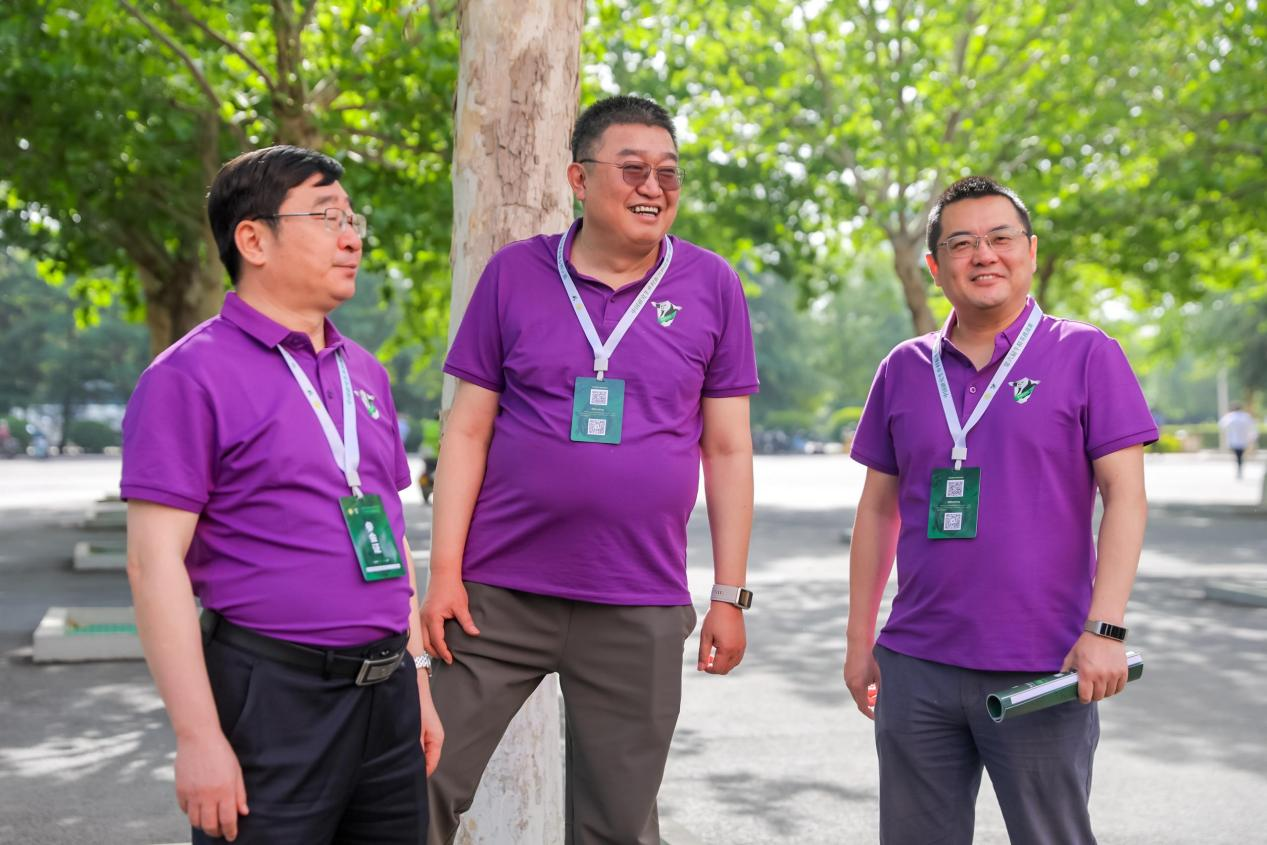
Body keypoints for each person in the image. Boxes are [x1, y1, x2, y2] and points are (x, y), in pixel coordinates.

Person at [422, 94, 759, 845]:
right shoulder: (513, 275)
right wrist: (443, 573)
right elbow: (467, 429)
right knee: (418, 782)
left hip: (636, 599)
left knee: (617, 824)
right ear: (579, 178)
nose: (653, 188)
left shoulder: (711, 285)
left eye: (668, 173)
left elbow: (728, 450)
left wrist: (729, 594)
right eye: (632, 169)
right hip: (495, 594)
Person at [122, 145, 441, 844]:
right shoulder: (188, 376)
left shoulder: (365, 373)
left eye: (352, 219)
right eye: (326, 217)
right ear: (254, 240)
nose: (351, 238)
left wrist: (416, 679)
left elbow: (387, 533)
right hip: (273, 696)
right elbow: (152, 563)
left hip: (387, 696)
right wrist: (198, 737)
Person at [844, 176, 1158, 844]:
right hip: (916, 663)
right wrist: (858, 640)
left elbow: (1126, 497)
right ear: (935, 267)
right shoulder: (904, 367)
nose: (982, 254)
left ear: (1030, 251)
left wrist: (1105, 629)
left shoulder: (1086, 353)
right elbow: (876, 512)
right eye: (960, 243)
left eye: (999, 238)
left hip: (1043, 665)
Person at [1218, 403, 1258, 479]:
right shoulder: (1246, 416)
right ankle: (1240, 468)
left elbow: (1221, 425)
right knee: (1240, 456)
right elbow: (1253, 428)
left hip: (1234, 441)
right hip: (1244, 440)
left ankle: (1239, 469)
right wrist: (1252, 439)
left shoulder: (1230, 416)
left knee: (1238, 456)